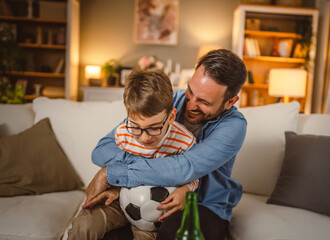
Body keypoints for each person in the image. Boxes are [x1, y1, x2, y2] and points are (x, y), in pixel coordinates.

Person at [87, 49, 248, 240]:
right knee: (109, 235)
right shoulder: (169, 101)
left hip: (204, 205)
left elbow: (184, 168)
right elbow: (104, 147)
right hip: (145, 195)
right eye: (190, 90)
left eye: (203, 101)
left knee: (175, 233)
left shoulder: (234, 126)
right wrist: (126, 164)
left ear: (230, 101)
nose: (190, 104)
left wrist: (112, 172)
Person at [68, 69, 199, 240]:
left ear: (172, 116)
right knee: (84, 226)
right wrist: (118, 183)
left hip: (154, 214)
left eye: (154, 128)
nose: (144, 137)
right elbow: (99, 154)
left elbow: (195, 175)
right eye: (136, 127)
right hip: (119, 199)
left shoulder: (184, 141)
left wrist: (186, 191)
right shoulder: (124, 133)